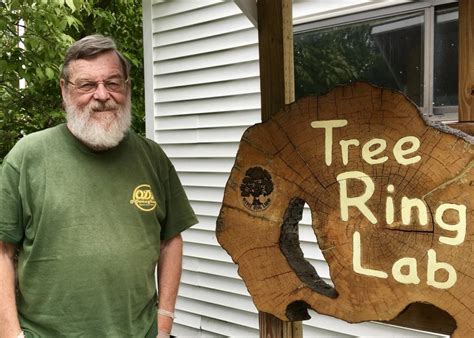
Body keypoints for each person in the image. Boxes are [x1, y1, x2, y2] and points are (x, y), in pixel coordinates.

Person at [0, 34, 198, 338]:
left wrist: (164, 323)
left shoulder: (152, 158)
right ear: (64, 91)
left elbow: (171, 240)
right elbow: (2, 251)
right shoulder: (27, 157)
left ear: (128, 88)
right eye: (87, 85)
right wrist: (11, 334)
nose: (102, 95)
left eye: (113, 83)